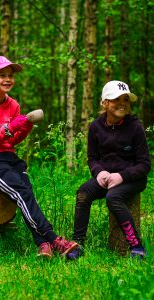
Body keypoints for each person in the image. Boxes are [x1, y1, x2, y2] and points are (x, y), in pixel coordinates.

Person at [0, 56, 78, 258]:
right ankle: (53, 238)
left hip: (10, 157)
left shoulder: (13, 105)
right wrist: (12, 127)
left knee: (26, 193)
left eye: (11, 75)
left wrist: (25, 127)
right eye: (2, 75)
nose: (8, 79)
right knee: (22, 193)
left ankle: (42, 244)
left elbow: (12, 141)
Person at [67, 80, 151, 260]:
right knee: (83, 193)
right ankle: (78, 243)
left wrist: (121, 176)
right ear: (104, 103)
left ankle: (136, 245)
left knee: (113, 197)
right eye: (116, 99)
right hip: (106, 178)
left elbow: (145, 164)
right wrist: (100, 173)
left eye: (126, 99)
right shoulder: (96, 127)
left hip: (131, 179)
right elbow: (92, 158)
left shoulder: (135, 127)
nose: (122, 103)